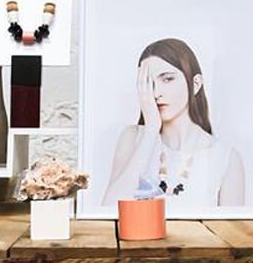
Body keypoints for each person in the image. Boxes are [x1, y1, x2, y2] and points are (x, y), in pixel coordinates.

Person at [102, 38, 245, 207]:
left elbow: (231, 224)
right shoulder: (133, 137)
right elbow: (109, 209)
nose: (156, 93)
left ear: (196, 83)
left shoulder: (226, 158)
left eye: (167, 79)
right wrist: (151, 130)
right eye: (148, 83)